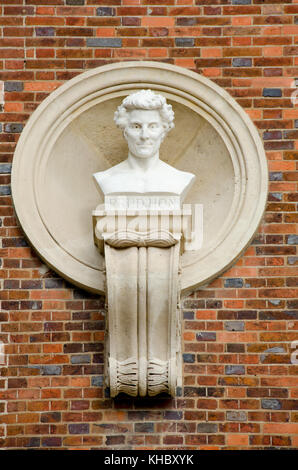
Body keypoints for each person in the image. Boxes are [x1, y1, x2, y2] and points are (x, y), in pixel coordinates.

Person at [93, 89, 195, 202]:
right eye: (136, 127)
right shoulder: (105, 179)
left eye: (152, 126)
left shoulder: (180, 179)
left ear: (163, 132)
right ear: (125, 132)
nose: (144, 135)